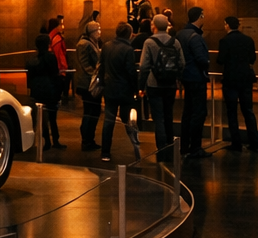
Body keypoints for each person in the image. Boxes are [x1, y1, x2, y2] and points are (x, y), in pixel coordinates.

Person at [138, 15, 182, 155]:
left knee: (158, 118)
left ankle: (161, 148)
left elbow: (144, 66)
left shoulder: (149, 42)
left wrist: (141, 86)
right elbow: (182, 63)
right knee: (169, 115)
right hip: (170, 84)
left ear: (154, 26)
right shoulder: (175, 42)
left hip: (154, 84)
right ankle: (170, 144)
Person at [99, 23, 141, 165]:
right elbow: (130, 72)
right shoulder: (128, 49)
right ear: (129, 34)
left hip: (110, 89)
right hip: (125, 90)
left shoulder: (107, 46)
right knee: (127, 121)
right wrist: (136, 89)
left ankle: (105, 152)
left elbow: (101, 67)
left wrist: (102, 84)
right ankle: (136, 148)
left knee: (108, 121)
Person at [217, 17, 258, 151]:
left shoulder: (224, 41)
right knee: (248, 111)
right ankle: (254, 143)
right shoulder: (248, 40)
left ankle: (236, 143)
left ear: (227, 25)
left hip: (231, 79)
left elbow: (220, 60)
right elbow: (253, 58)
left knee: (232, 112)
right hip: (246, 78)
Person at [176, 7, 210, 160]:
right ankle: (195, 148)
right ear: (200, 16)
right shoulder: (195, 36)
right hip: (196, 78)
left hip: (185, 77)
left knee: (187, 112)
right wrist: (207, 63)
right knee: (199, 112)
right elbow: (201, 59)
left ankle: (185, 145)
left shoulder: (180, 34)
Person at [26, 35, 64, 149]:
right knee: (52, 117)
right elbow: (55, 74)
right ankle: (55, 141)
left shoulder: (32, 61)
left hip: (37, 91)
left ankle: (46, 141)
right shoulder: (51, 57)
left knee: (42, 118)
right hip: (50, 90)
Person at [74, 21, 103, 150]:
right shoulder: (84, 44)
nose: (99, 32)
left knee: (93, 111)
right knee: (90, 111)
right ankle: (86, 140)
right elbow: (85, 65)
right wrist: (95, 75)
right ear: (91, 32)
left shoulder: (92, 43)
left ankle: (89, 139)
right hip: (87, 84)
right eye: (97, 30)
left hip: (90, 82)